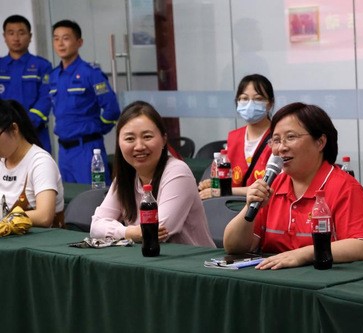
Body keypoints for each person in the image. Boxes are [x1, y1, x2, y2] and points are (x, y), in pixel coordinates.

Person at [223, 102, 363, 269]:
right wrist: (249, 207)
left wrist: (304, 254)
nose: (281, 148)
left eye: (291, 137)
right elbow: (234, 247)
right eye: (276, 140)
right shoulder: (273, 185)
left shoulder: (345, 187)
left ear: (320, 142)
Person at [90, 101, 214, 247]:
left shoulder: (178, 172)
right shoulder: (125, 177)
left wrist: (127, 232)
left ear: (164, 139)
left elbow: (159, 231)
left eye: (147, 137)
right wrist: (130, 232)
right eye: (130, 139)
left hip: (192, 260)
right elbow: (95, 227)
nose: (139, 146)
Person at [49, 20, 120, 184]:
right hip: (64, 152)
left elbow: (112, 109)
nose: (60, 43)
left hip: (88, 149)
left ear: (79, 42)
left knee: (96, 193)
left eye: (66, 38)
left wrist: (97, 129)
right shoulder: (54, 76)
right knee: (69, 197)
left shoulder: (90, 73)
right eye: (56, 38)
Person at [199, 74, 274, 199]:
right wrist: (214, 184)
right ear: (237, 102)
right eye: (244, 98)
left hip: (263, 206)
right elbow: (227, 175)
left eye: (258, 99)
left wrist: (224, 191)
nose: (250, 104)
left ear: (270, 103)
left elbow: (270, 188)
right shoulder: (234, 137)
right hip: (232, 206)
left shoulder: (278, 138)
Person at [0, 99, 63, 227]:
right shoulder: (2, 161)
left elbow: (44, 216)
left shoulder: (41, 162)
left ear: (14, 129)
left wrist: (5, 220)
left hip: (41, 237)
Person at [0, 15, 53, 153]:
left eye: (21, 33)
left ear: (30, 36)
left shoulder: (43, 66)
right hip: (3, 133)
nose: (16, 38)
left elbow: (46, 98)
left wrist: (26, 123)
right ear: (4, 37)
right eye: (11, 33)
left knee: (38, 165)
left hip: (35, 133)